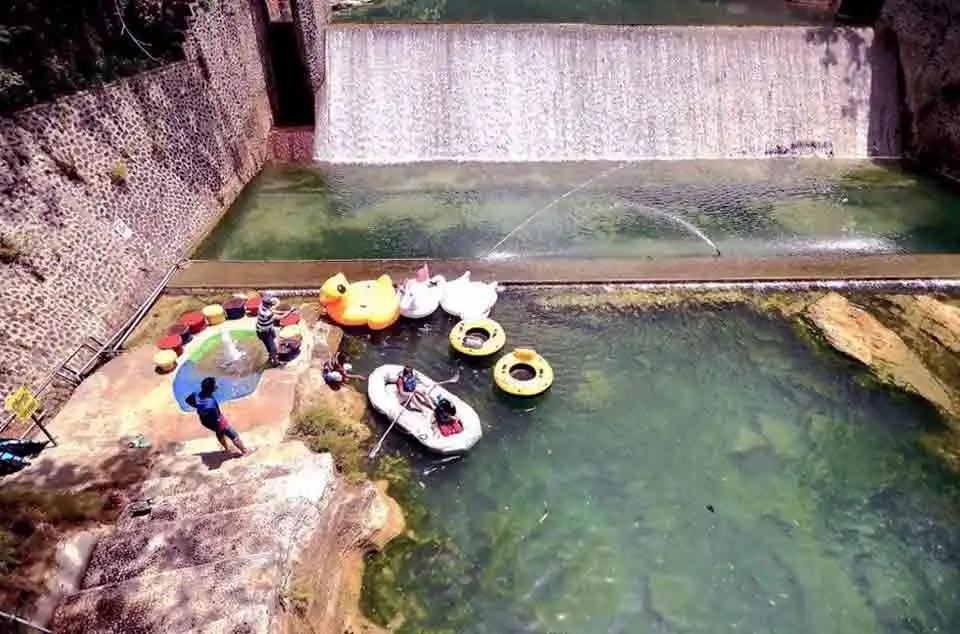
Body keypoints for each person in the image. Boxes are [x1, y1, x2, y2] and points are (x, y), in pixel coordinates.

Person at [185, 377, 253, 456]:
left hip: (206, 422)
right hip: (217, 422)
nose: (217, 386)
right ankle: (245, 451)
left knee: (219, 433)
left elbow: (188, 400)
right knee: (233, 435)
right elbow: (206, 413)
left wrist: (197, 406)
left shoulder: (196, 395)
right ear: (211, 389)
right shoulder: (210, 404)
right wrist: (219, 421)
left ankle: (227, 449)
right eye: (215, 385)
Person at [256, 293, 280, 367]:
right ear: (268, 305)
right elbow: (280, 317)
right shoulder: (266, 314)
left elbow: (272, 308)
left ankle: (271, 356)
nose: (272, 305)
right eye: (270, 304)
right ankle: (275, 363)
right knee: (273, 348)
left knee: (269, 343)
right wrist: (289, 312)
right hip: (264, 332)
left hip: (265, 329)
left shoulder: (261, 306)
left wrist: (274, 301)